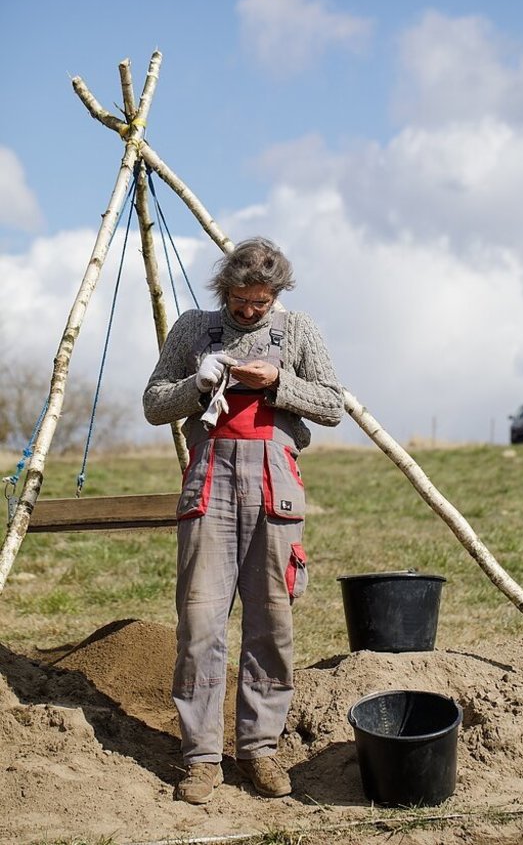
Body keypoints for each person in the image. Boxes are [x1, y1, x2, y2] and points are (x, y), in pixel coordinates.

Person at [143, 237, 344, 804]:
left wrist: (276, 384)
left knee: (272, 622)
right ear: (223, 288)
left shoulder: (299, 330)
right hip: (209, 488)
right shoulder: (192, 328)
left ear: (276, 295)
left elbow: (333, 405)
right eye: (239, 298)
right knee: (201, 624)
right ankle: (201, 759)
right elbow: (154, 404)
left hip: (276, 486)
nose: (248, 310)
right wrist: (196, 382)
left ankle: (261, 751)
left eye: (261, 301)